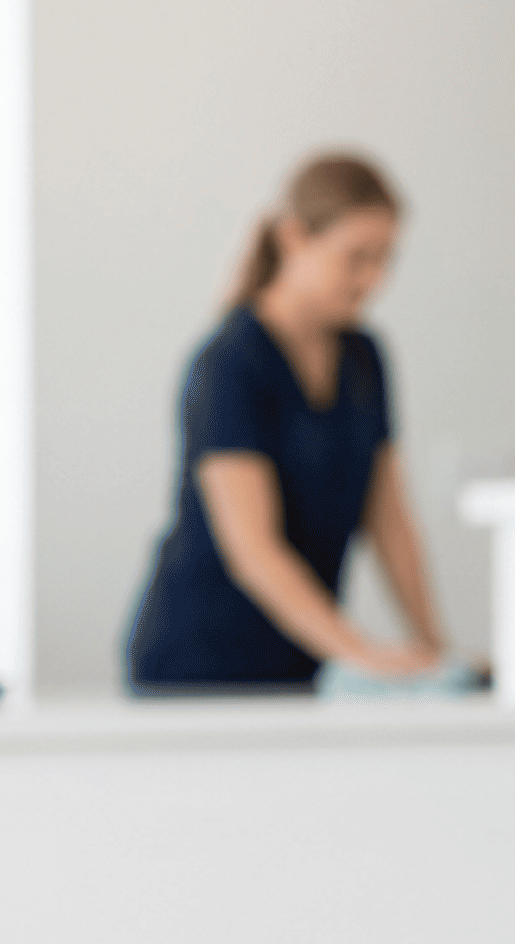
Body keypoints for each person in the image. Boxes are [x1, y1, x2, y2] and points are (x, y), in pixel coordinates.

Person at [127, 153, 448, 693]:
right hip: (197, 665)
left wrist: (432, 649)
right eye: (356, 257)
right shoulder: (230, 363)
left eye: (386, 259)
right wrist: (363, 654)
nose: (374, 279)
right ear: (294, 238)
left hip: (300, 665)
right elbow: (253, 551)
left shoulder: (364, 358)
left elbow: (389, 520)